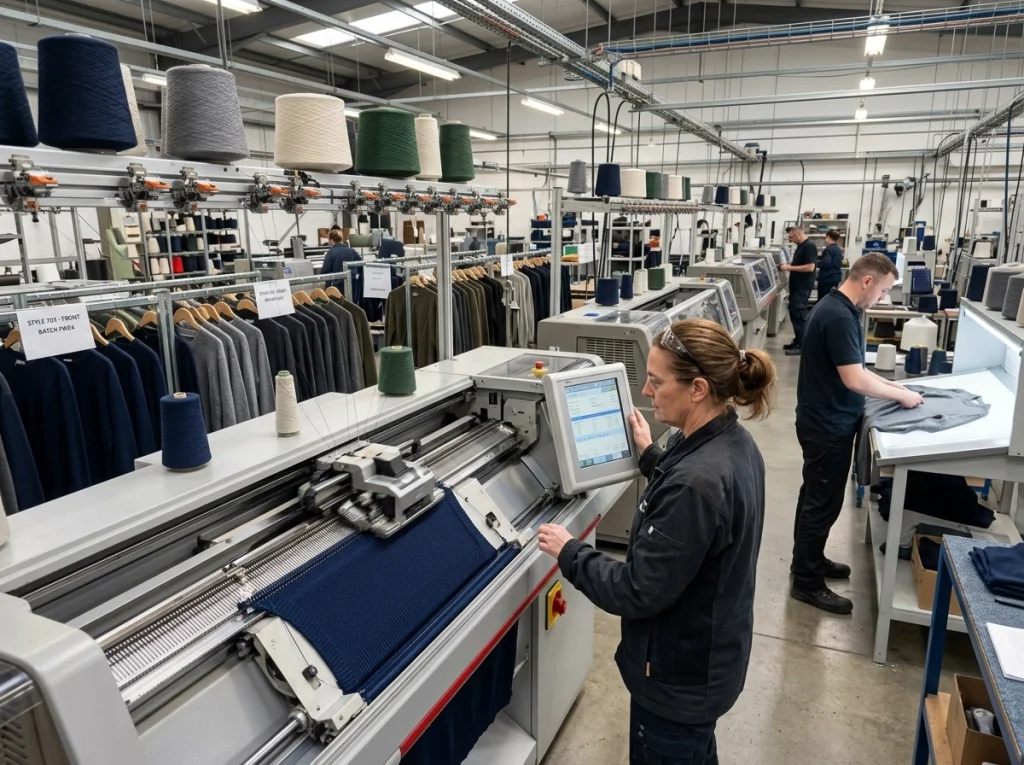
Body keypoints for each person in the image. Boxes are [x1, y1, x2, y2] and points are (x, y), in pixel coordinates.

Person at [538, 319, 776, 765]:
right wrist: (652, 456)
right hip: (709, 662)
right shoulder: (734, 444)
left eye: (656, 381)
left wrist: (570, 552)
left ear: (697, 389)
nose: (646, 392)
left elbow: (636, 590)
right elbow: (694, 510)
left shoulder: (695, 485)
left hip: (676, 684)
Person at [790, 252, 923, 615]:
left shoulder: (838, 308)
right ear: (867, 281)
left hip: (824, 420)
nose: (882, 298)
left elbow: (857, 368)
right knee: (822, 503)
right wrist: (901, 396)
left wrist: (894, 387)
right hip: (826, 426)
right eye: (883, 291)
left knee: (815, 496)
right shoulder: (838, 316)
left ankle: (808, 561)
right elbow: (854, 379)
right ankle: (806, 582)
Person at [780, 226, 817, 356]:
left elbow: (810, 267)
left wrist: (789, 268)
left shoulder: (809, 246)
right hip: (796, 287)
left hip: (802, 287)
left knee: (799, 315)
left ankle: (802, 345)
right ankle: (797, 340)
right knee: (794, 313)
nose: (790, 240)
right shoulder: (801, 246)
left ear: (798, 234)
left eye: (791, 237)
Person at [817, 229, 844, 298]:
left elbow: (826, 263)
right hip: (835, 278)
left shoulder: (828, 249)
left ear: (828, 237)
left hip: (827, 279)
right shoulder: (838, 249)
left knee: (823, 299)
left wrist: (818, 263)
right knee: (831, 298)